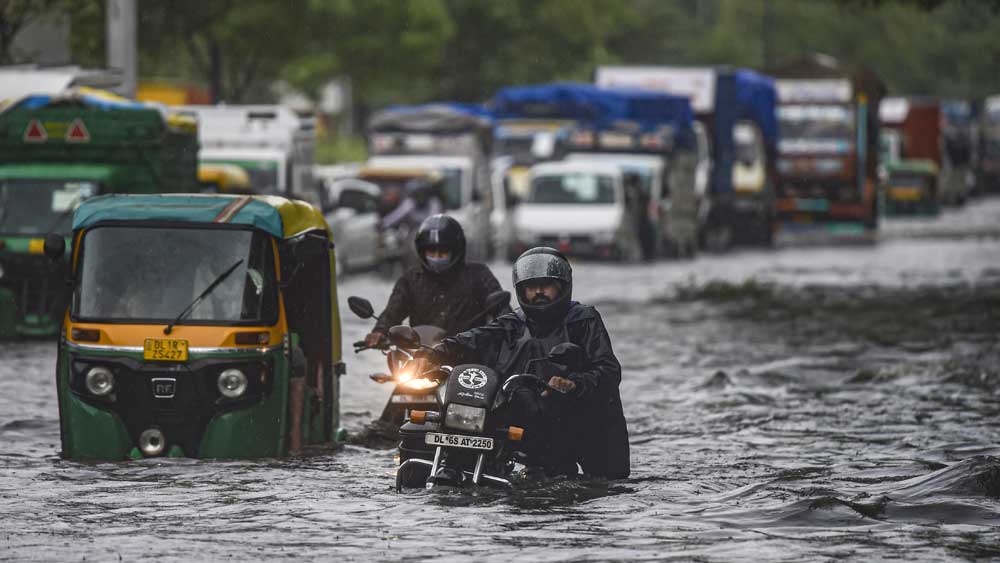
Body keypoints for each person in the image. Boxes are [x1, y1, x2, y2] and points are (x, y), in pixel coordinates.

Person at [432, 247, 630, 479]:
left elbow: (608, 370)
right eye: (531, 286)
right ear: (520, 290)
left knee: (606, 485)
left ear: (562, 286)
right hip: (528, 416)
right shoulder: (512, 323)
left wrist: (573, 383)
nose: (538, 292)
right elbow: (474, 339)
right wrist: (435, 353)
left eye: (546, 285)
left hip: (580, 417)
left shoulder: (584, 320)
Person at [363, 214, 508, 346]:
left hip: (468, 357)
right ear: (422, 252)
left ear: (456, 251)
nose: (437, 257)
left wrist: (508, 330)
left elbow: (502, 311)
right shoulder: (411, 279)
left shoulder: (478, 275)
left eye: (443, 252)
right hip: (422, 358)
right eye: (431, 252)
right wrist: (380, 331)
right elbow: (393, 311)